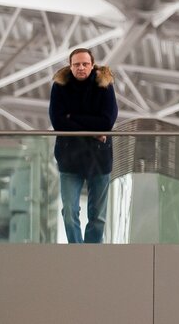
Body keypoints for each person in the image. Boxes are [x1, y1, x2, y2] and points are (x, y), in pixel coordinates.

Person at [49, 48, 117, 243]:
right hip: (70, 159)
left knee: (98, 217)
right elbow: (58, 122)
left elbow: (106, 123)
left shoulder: (104, 84)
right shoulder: (60, 86)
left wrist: (73, 118)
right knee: (69, 213)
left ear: (92, 65)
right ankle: (77, 252)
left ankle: (91, 256)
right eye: (77, 64)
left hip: (99, 160)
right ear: (70, 66)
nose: (81, 67)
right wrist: (93, 131)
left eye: (85, 64)